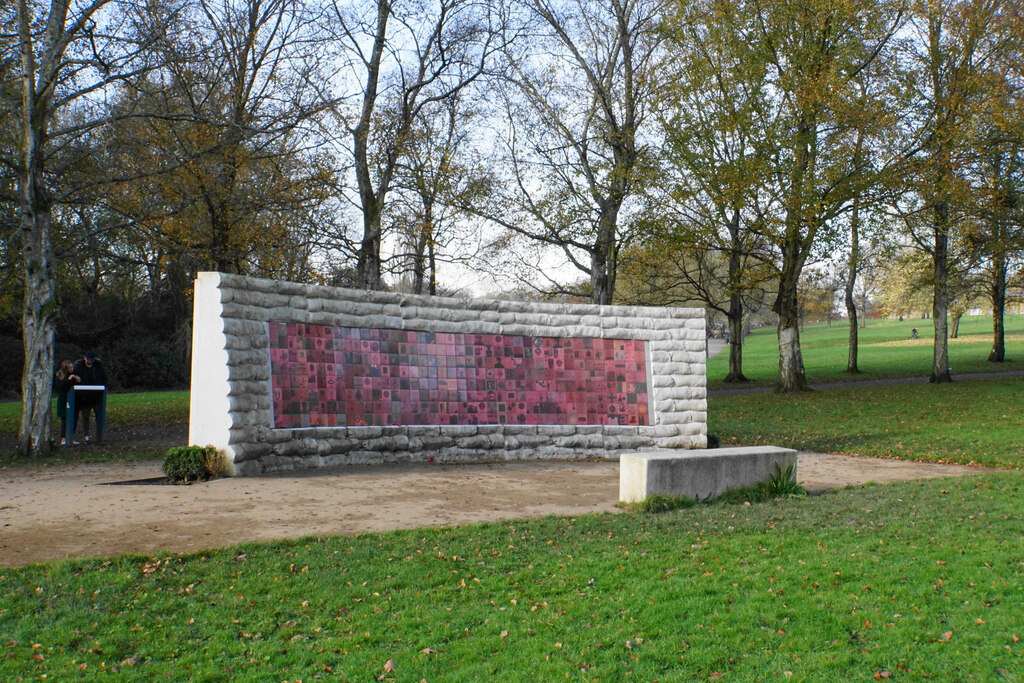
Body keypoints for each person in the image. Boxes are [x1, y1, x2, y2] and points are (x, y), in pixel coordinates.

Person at [72, 350, 108, 444]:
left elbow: (103, 378)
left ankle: (100, 437)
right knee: (85, 417)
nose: (89, 361)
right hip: (85, 397)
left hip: (96, 396)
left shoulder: (98, 367)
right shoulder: (79, 366)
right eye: (88, 359)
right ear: (85, 358)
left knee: (99, 415)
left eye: (91, 360)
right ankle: (86, 437)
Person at [53, 359, 80, 446]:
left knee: (75, 417)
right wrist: (68, 380)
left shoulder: (74, 374)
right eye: (70, 367)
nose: (72, 369)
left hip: (74, 399)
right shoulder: (60, 375)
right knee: (65, 419)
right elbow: (60, 387)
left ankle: (71, 436)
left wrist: (78, 380)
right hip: (64, 399)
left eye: (72, 367)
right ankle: (63, 438)